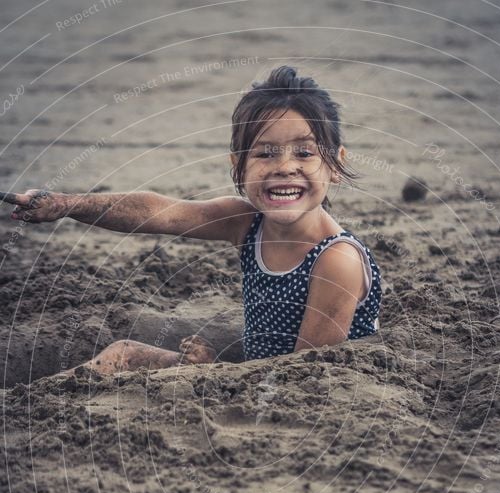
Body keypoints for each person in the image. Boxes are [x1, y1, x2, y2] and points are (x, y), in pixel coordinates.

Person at [4, 65, 382, 375]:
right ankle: (31, 407)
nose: (285, 167)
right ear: (238, 165)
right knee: (122, 353)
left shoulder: (336, 260)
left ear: (335, 164)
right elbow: (157, 212)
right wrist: (65, 204)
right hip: (255, 371)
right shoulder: (245, 222)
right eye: (265, 153)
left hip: (291, 390)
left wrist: (214, 370)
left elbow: (305, 375)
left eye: (304, 152)